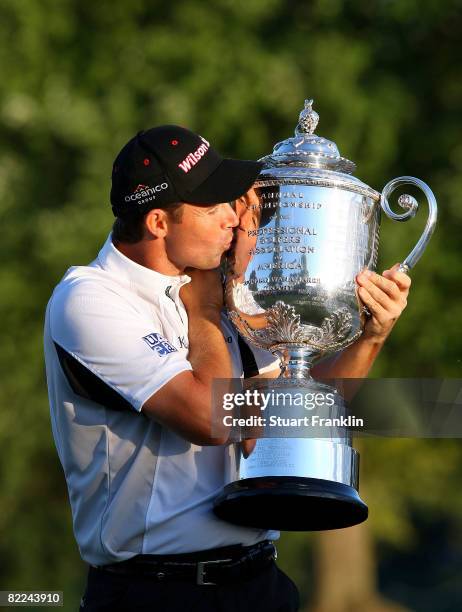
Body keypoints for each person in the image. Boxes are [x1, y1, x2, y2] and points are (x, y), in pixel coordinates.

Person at [43, 125, 411, 612]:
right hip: (153, 593)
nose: (234, 220)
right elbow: (214, 419)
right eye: (215, 206)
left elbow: (281, 429)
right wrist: (208, 312)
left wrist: (372, 335)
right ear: (158, 222)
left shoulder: (221, 288)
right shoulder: (89, 298)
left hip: (259, 583)